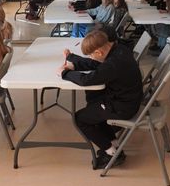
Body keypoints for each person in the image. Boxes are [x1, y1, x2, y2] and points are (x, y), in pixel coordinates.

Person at [59, 30, 143, 168]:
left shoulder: (113, 64)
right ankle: (114, 145)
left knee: (79, 118)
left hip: (123, 107)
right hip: (129, 100)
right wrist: (73, 61)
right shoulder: (119, 49)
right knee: (93, 100)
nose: (91, 57)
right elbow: (97, 65)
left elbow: (87, 80)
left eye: (92, 55)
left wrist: (65, 73)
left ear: (99, 52)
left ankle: (112, 154)